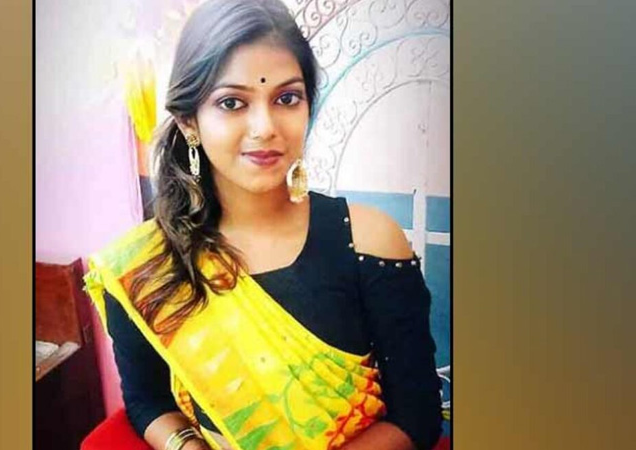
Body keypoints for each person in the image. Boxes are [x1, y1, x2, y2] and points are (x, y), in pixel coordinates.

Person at [84, 0, 443, 449]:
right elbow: (147, 400)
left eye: (287, 98)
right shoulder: (148, 264)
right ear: (189, 121)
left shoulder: (371, 241)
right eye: (232, 103)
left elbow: (417, 415)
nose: (264, 127)